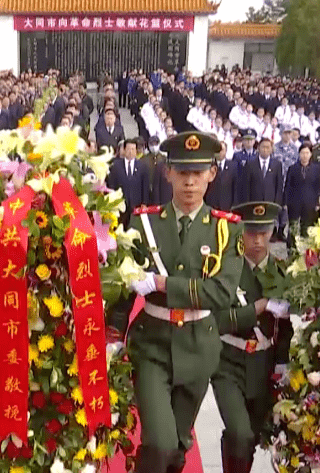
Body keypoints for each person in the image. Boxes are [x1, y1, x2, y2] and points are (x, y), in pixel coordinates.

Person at [112, 131, 244, 473]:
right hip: (152, 344)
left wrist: (160, 283)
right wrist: (114, 331)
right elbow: (125, 282)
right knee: (159, 442)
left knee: (179, 448)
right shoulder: (144, 222)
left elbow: (223, 292)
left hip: (199, 345)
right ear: (167, 172)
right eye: (182, 173)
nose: (189, 182)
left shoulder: (226, 230)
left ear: (212, 174)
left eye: (198, 173)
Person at [211, 201, 291, 473]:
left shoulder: (283, 271)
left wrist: (282, 363)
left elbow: (287, 328)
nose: (257, 240)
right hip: (228, 363)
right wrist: (257, 308)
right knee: (240, 432)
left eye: (264, 232)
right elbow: (216, 321)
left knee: (252, 435)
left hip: (264, 364)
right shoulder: (225, 269)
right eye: (250, 232)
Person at [107, 138, 150, 225]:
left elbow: (145, 186)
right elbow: (111, 185)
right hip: (120, 205)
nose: (130, 152)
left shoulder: (142, 166)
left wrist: (144, 203)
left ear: (136, 151)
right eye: (128, 149)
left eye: (133, 149)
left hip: (136, 206)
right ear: (124, 150)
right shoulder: (116, 166)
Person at [285, 144, 320, 237]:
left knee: (307, 231)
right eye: (302, 153)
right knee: (293, 230)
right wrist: (286, 203)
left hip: (310, 205)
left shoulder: (316, 169)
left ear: (311, 154)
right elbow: (288, 186)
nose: (305, 155)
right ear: (299, 154)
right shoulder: (293, 168)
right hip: (295, 205)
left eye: (307, 153)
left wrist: (318, 203)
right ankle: (292, 250)